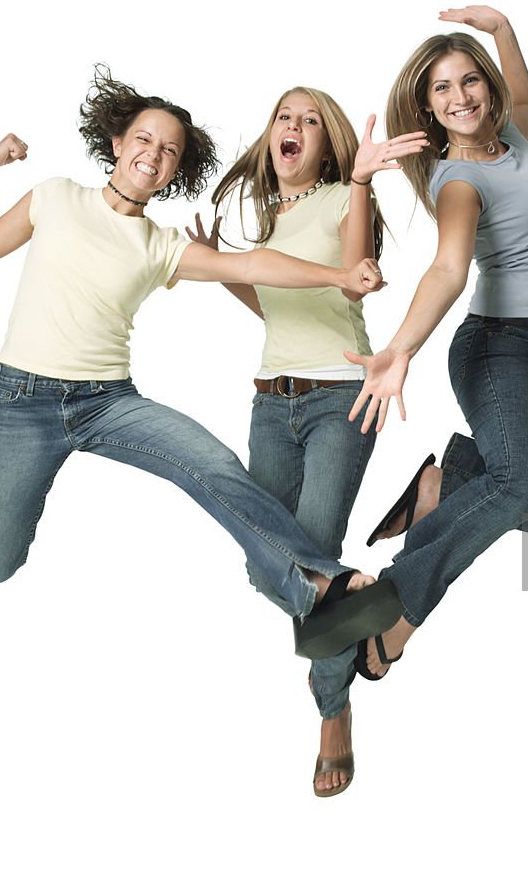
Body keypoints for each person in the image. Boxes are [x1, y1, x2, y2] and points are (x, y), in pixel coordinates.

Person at [0, 69, 402, 684]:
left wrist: (339, 278)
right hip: (25, 401)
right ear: (117, 142)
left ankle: (319, 582)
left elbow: (251, 263)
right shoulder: (55, 197)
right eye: (145, 139)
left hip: (107, 402)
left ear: (174, 170)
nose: (154, 155)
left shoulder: (161, 244)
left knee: (213, 465)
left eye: (169, 151)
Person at [347, 7, 528, 679]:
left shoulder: (515, 139)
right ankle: (398, 607)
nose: (460, 96)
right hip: (496, 352)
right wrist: (401, 348)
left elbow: (524, 97)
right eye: (442, 89)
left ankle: (453, 481)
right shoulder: (459, 182)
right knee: (524, 480)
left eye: (470, 81)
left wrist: (501, 30)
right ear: (427, 108)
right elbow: (447, 269)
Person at [188, 87, 426, 796]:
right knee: (274, 569)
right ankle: (400, 547)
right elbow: (274, 305)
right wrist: (220, 267)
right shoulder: (270, 218)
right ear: (269, 139)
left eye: (311, 121)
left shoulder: (336, 198)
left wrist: (358, 184)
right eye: (284, 118)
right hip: (270, 404)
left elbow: (351, 282)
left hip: (337, 400)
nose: (294, 128)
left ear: (327, 146)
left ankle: (333, 712)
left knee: (313, 565)